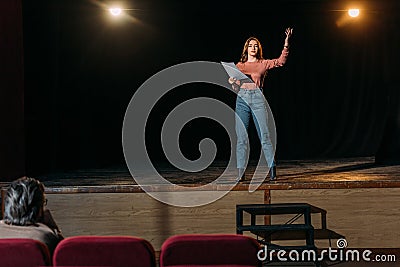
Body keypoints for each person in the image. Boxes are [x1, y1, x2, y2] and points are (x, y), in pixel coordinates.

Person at [229, 28, 293, 181]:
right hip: (242, 99)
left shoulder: (263, 63)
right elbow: (235, 86)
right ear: (246, 48)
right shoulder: (239, 66)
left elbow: (280, 62)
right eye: (250, 45)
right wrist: (232, 82)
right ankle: (240, 172)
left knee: (264, 135)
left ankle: (272, 169)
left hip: (257, 98)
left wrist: (286, 44)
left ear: (258, 48)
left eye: (255, 45)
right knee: (241, 138)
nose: (253, 47)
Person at [0, 176, 63, 255]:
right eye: (43, 202)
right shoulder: (46, 237)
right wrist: (55, 230)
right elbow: (63, 257)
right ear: (38, 208)